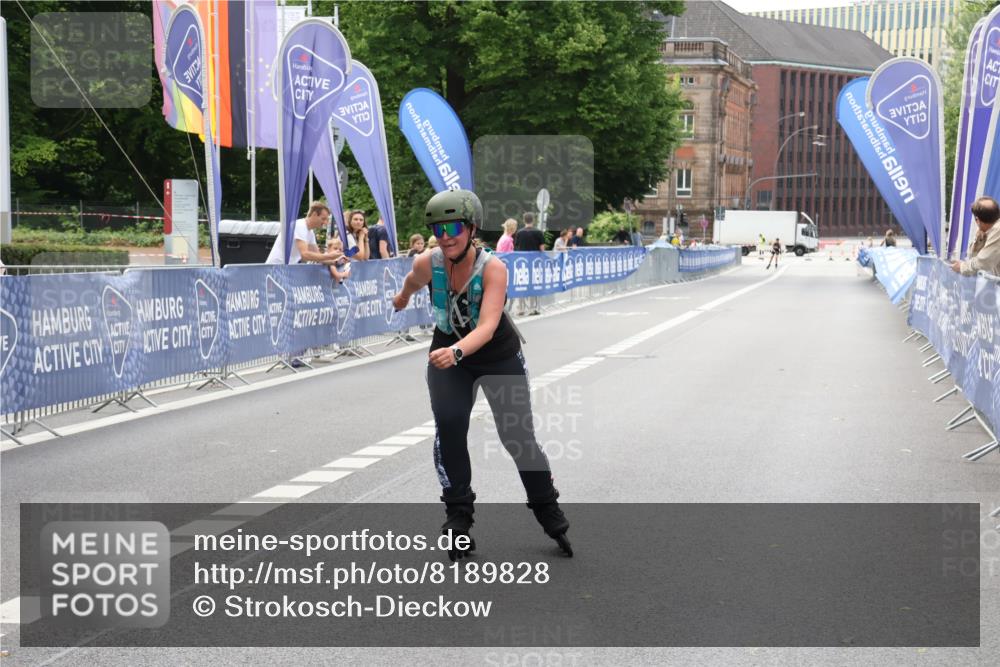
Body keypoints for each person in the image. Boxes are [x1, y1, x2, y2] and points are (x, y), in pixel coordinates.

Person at [392, 189, 572, 559]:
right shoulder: (430, 262)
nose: (446, 236)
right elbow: (412, 280)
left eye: (454, 227)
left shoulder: (493, 267)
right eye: (438, 229)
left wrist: (456, 351)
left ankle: (546, 507)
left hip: (495, 355)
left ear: (472, 227)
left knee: (517, 436)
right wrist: (402, 298)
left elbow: (489, 326)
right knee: (450, 423)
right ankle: (458, 517)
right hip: (448, 352)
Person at [266, 202, 342, 266]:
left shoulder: (310, 231)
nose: (325, 223)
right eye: (323, 219)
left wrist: (337, 261)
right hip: (276, 267)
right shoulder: (300, 226)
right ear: (314, 214)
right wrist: (329, 256)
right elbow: (305, 255)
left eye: (327, 220)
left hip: (284, 268)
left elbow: (318, 256)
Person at [952, 196, 1000, 276]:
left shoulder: (997, 230)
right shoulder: (992, 230)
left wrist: (962, 267)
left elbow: (984, 262)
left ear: (977, 220)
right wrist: (979, 241)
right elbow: (973, 257)